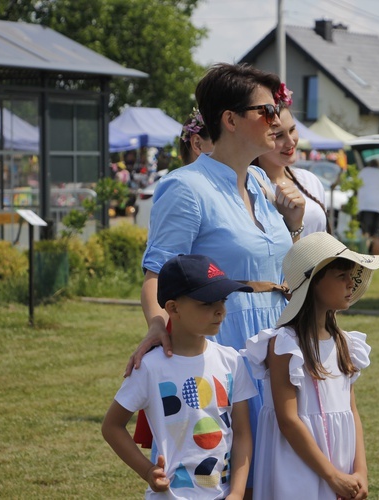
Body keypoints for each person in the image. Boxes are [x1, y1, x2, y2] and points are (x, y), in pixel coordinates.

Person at [126, 63, 307, 494]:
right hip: (228, 344)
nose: (277, 120)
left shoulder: (262, 179)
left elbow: (274, 268)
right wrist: (158, 324)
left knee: (279, 473)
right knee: (222, 475)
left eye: (277, 108)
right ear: (229, 119)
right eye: (266, 110)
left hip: (279, 343)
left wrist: (295, 225)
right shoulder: (185, 187)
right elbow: (157, 274)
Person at [242, 232, 379, 500]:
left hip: (341, 465)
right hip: (295, 465)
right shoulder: (284, 345)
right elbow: (288, 420)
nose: (350, 284)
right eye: (341, 276)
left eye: (351, 276)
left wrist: (360, 471)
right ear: (313, 284)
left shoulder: (345, 342)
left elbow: (352, 411)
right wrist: (331, 475)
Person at [103, 254, 257, 499]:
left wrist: (237, 492)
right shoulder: (150, 367)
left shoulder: (232, 361)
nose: (220, 310)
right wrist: (147, 471)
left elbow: (242, 433)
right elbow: (111, 426)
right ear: (173, 308)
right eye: (207, 303)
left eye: (223, 300)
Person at [253, 85, 330, 237]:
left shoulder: (309, 180)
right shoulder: (251, 189)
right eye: (279, 135)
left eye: (292, 130)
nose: (291, 142)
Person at [357, 158, 379, 254]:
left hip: (365, 206)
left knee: (365, 234)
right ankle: (376, 261)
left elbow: (356, 187)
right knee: (378, 235)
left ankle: (363, 260)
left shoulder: (363, 172)